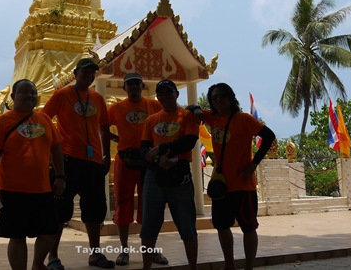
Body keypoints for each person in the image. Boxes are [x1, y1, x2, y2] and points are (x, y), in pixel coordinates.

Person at [192, 83, 276, 270]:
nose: (218, 100)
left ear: (230, 98)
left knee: (248, 227)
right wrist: (197, 109)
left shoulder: (243, 119)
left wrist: (254, 163)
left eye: (222, 96)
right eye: (214, 97)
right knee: (221, 226)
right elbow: (190, 109)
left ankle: (249, 266)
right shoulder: (212, 118)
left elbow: (269, 136)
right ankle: (229, 264)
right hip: (221, 186)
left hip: (243, 185)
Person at [42, 57, 115, 269]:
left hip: (93, 162)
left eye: (92, 73)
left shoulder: (98, 98)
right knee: (60, 211)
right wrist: (54, 148)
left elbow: (104, 128)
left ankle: (95, 254)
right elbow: (43, 119)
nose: (89, 76)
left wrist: (106, 156)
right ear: (75, 74)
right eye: (85, 72)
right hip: (67, 161)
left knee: (94, 211)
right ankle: (53, 257)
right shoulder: (62, 94)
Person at [0, 79, 66, 270]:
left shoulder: (44, 119)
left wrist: (61, 176)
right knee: (17, 236)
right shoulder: (2, 122)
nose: (30, 96)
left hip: (42, 188)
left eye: (33, 92)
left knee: (50, 231)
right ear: (13, 96)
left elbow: (56, 148)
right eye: (25, 92)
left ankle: (38, 264)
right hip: (12, 189)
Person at [107, 72, 168, 266]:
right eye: (130, 84)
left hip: (148, 162)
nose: (133, 87)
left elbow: (168, 120)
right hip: (125, 160)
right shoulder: (116, 108)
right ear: (124, 88)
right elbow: (101, 126)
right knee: (122, 203)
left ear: (142, 86)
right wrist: (116, 139)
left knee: (149, 206)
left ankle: (151, 250)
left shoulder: (154, 105)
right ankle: (124, 250)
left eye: (137, 84)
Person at [139, 79, 199, 270]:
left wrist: (161, 149)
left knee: (187, 225)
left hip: (180, 174)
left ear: (176, 94)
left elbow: (189, 142)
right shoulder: (151, 120)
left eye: (168, 92)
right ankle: (146, 267)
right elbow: (144, 148)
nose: (164, 96)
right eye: (161, 93)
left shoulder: (187, 116)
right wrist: (159, 160)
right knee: (149, 226)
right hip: (155, 174)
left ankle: (192, 267)